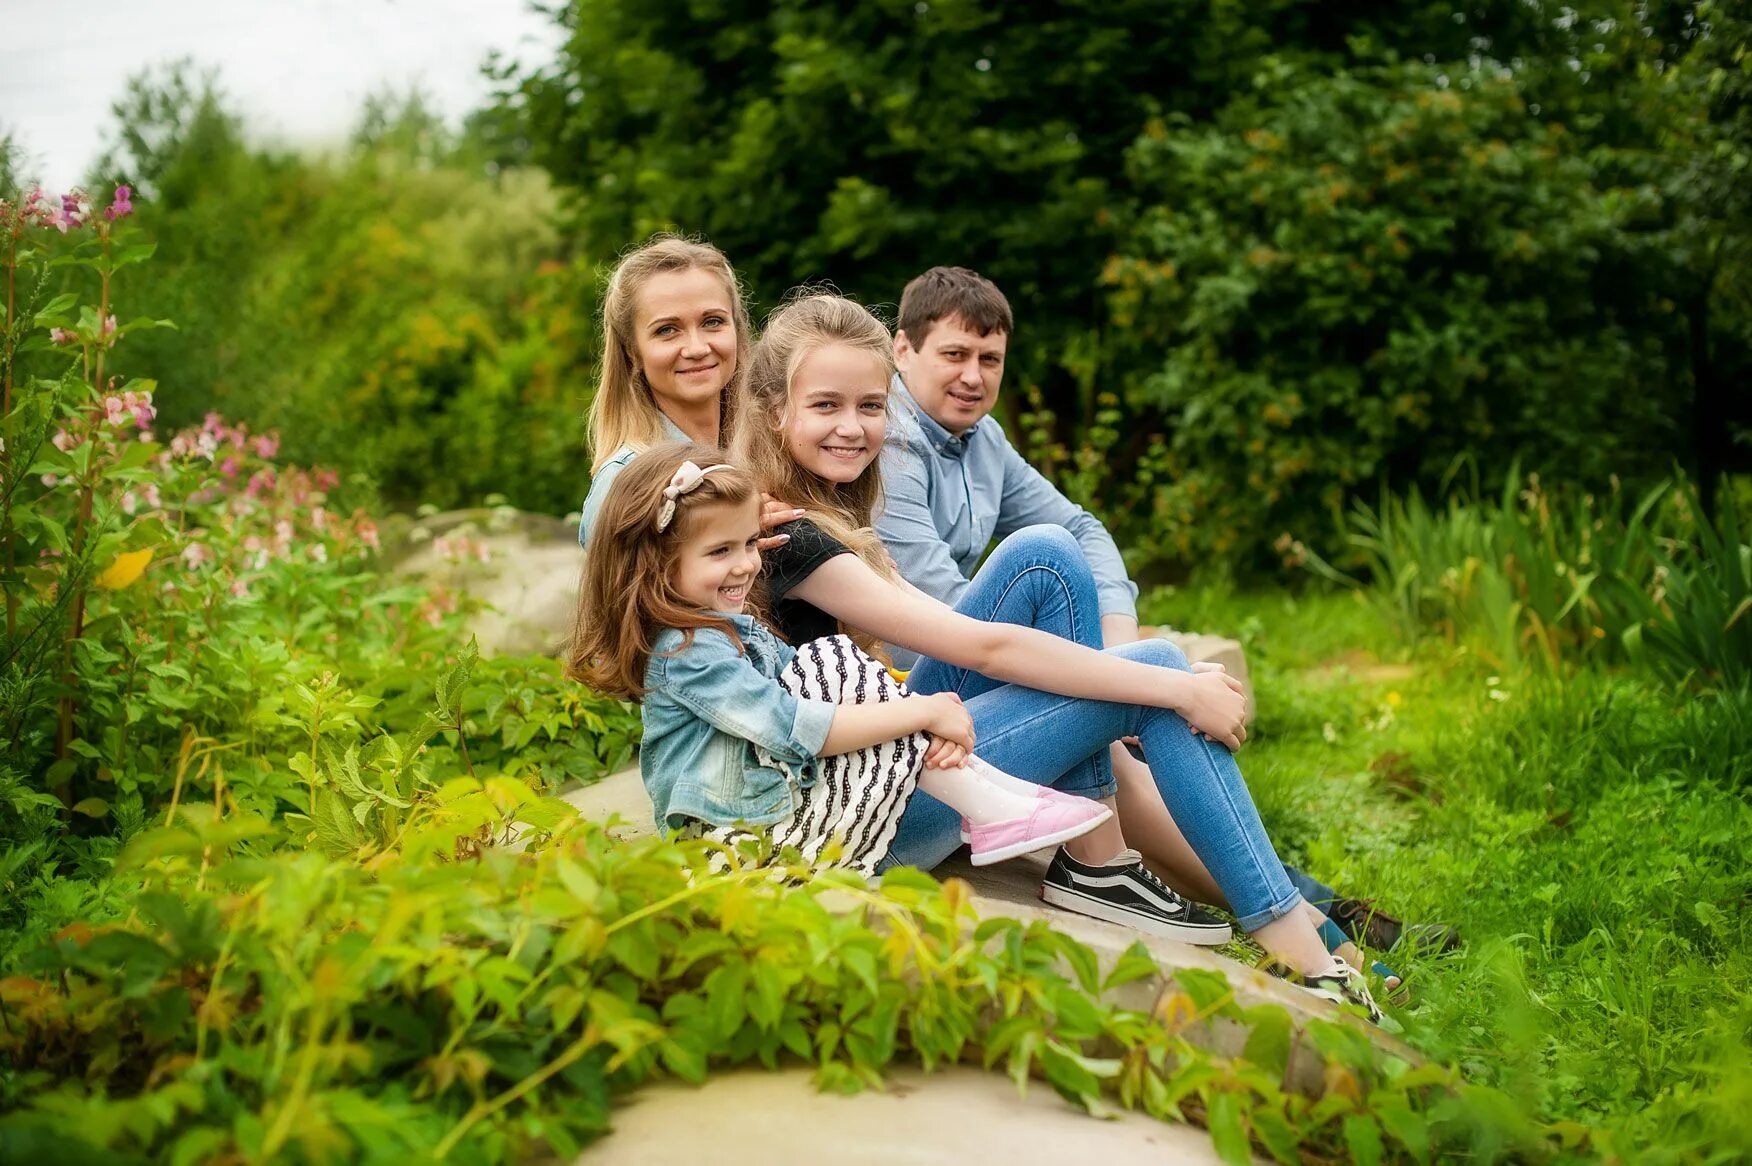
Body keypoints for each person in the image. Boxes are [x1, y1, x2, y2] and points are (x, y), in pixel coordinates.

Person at [729, 291, 1383, 1021]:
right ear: (772, 409)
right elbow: (981, 645)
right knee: (1160, 672)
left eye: (871, 407)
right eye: (827, 406)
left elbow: (939, 639)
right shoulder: (789, 539)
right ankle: (1309, 956)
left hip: (872, 760)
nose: (854, 428)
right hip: (859, 820)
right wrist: (1165, 685)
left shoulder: (808, 509)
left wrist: (1138, 676)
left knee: (1045, 554)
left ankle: (1104, 864)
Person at [877, 265, 1451, 968]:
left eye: (988, 359)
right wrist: (1122, 679)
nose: (972, 375)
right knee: (1136, 730)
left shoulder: (984, 440)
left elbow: (1085, 530)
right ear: (903, 352)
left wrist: (1115, 650)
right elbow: (961, 621)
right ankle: (1324, 928)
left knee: (1134, 703)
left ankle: (1318, 919)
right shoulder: (886, 445)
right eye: (954, 355)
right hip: (925, 697)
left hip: (982, 675)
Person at [567, 443, 1116, 877]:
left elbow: (812, 685)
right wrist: (921, 713)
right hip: (743, 845)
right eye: (720, 552)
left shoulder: (723, 628)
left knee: (829, 661)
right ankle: (998, 806)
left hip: (780, 810)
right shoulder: (685, 652)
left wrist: (917, 718)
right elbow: (794, 725)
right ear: (657, 565)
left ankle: (992, 798)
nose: (745, 567)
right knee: (830, 659)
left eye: (748, 545)